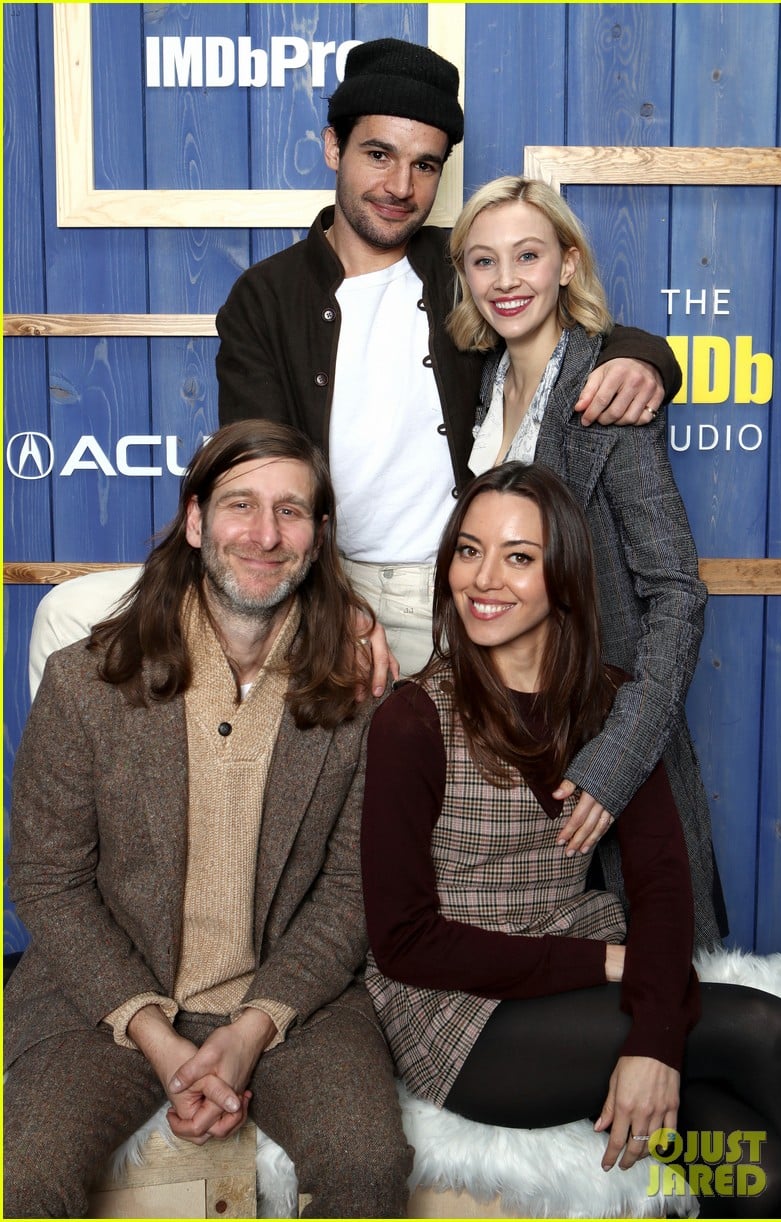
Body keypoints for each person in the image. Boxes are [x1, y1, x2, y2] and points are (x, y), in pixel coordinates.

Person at [28, 38, 682, 690]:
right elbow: (260, 466)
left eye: (424, 166)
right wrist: (332, 600)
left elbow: (561, 321)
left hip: (439, 587)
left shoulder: (459, 268)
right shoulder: (267, 296)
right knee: (66, 615)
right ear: (333, 147)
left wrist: (646, 359)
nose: (400, 187)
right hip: (305, 574)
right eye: (378, 155)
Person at [361, 463, 781, 1219]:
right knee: (766, 1027)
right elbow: (403, 942)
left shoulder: (609, 704)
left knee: (758, 1176)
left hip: (581, 988)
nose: (483, 578)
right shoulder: (412, 720)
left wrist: (654, 1042)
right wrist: (608, 968)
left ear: (564, 576)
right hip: (462, 1016)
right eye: (468, 550)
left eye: (518, 556)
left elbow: (663, 882)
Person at [4, 421, 412, 1219]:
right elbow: (48, 882)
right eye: (240, 505)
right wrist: (155, 1036)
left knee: (366, 1164)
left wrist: (253, 1027)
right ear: (195, 522)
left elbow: (352, 890)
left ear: (318, 537)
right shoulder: (85, 682)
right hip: (103, 997)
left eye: (290, 511)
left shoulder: (360, 698)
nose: (265, 534)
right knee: (21, 1174)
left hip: (292, 996)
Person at [446, 175, 725, 949]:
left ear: (567, 263)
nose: (505, 280)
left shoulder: (605, 391)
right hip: (512, 735)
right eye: (483, 260)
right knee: (533, 977)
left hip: (604, 732)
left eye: (527, 256)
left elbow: (675, 591)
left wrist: (617, 760)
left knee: (643, 972)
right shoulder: (482, 381)